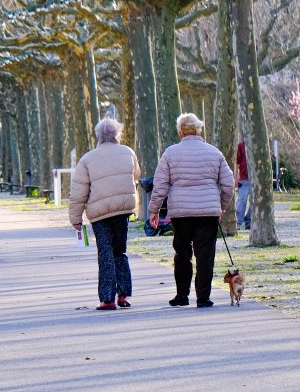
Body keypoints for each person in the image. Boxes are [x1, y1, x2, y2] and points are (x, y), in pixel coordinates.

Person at [149, 113, 234, 309]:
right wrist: (221, 206)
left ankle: (182, 295)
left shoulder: (170, 153)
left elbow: (160, 185)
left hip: (181, 213)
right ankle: (203, 298)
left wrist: (154, 210)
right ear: (199, 130)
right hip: (208, 213)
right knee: (205, 256)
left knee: (182, 253)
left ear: (180, 132)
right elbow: (228, 185)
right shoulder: (214, 152)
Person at [68, 118, 141, 311]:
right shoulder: (128, 152)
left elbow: (78, 192)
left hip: (99, 213)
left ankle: (107, 298)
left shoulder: (87, 159)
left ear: (98, 136)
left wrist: (76, 218)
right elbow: (136, 174)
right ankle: (123, 294)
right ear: (117, 134)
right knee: (120, 250)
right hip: (122, 209)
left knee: (105, 252)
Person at [235, 140, 251, 230]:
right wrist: (236, 176)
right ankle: (238, 222)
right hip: (244, 178)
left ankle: (249, 221)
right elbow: (237, 162)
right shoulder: (241, 145)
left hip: (255, 178)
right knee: (242, 200)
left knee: (255, 202)